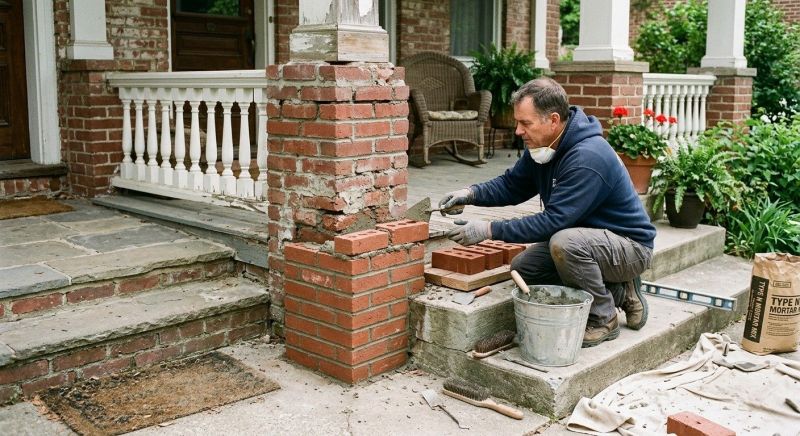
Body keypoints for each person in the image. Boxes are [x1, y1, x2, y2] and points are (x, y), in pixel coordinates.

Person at [438, 77, 656, 347]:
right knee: (524, 268)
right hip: (588, 239)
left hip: (629, 246)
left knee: (564, 244)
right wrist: (470, 193)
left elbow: (552, 222)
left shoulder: (587, 157)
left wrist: (488, 229)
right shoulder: (543, 147)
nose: (518, 131)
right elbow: (512, 185)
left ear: (553, 120)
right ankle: (619, 291)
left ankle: (603, 318)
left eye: (525, 123)